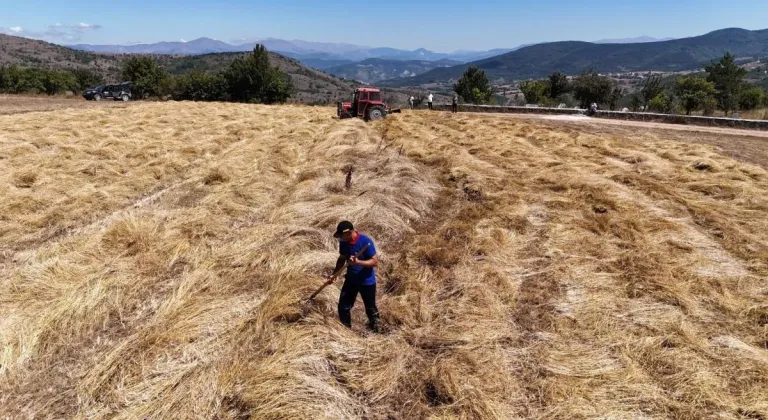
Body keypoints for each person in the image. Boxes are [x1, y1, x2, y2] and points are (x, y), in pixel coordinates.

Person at [329, 221, 380, 331]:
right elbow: (342, 258)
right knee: (343, 307)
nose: (340, 239)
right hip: (351, 280)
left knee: (371, 309)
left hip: (367, 282)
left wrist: (358, 262)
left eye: (341, 236)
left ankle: (377, 330)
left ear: (348, 233)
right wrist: (335, 274)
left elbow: (374, 262)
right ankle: (346, 331)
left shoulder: (365, 242)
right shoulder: (344, 242)